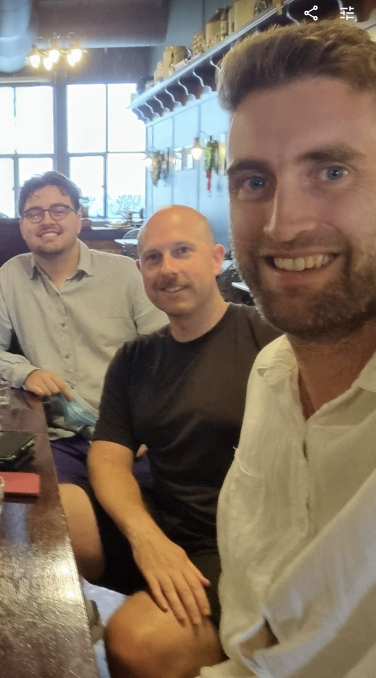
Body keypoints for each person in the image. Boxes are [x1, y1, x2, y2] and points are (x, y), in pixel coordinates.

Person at [200, 21, 376, 677]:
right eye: (253, 181)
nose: (282, 224)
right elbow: (254, 642)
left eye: (330, 171)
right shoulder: (271, 373)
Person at [87, 206, 279, 678]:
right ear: (140, 271)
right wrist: (147, 538)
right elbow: (108, 457)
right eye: (153, 258)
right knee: (59, 513)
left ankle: (217, 645)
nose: (167, 268)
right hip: (166, 525)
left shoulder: (268, 341)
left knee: (134, 641)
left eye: (182, 252)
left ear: (217, 259)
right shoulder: (136, 357)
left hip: (238, 549)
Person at [0, 170, 168, 577]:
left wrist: (151, 426)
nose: (47, 220)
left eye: (59, 209)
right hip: (60, 437)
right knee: (57, 520)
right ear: (22, 226)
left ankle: (129, 602)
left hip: (132, 435)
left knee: (153, 516)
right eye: (33, 213)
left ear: (79, 217)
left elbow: (167, 353)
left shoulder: (124, 274)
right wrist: (25, 370)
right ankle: (84, 607)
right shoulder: (11, 276)